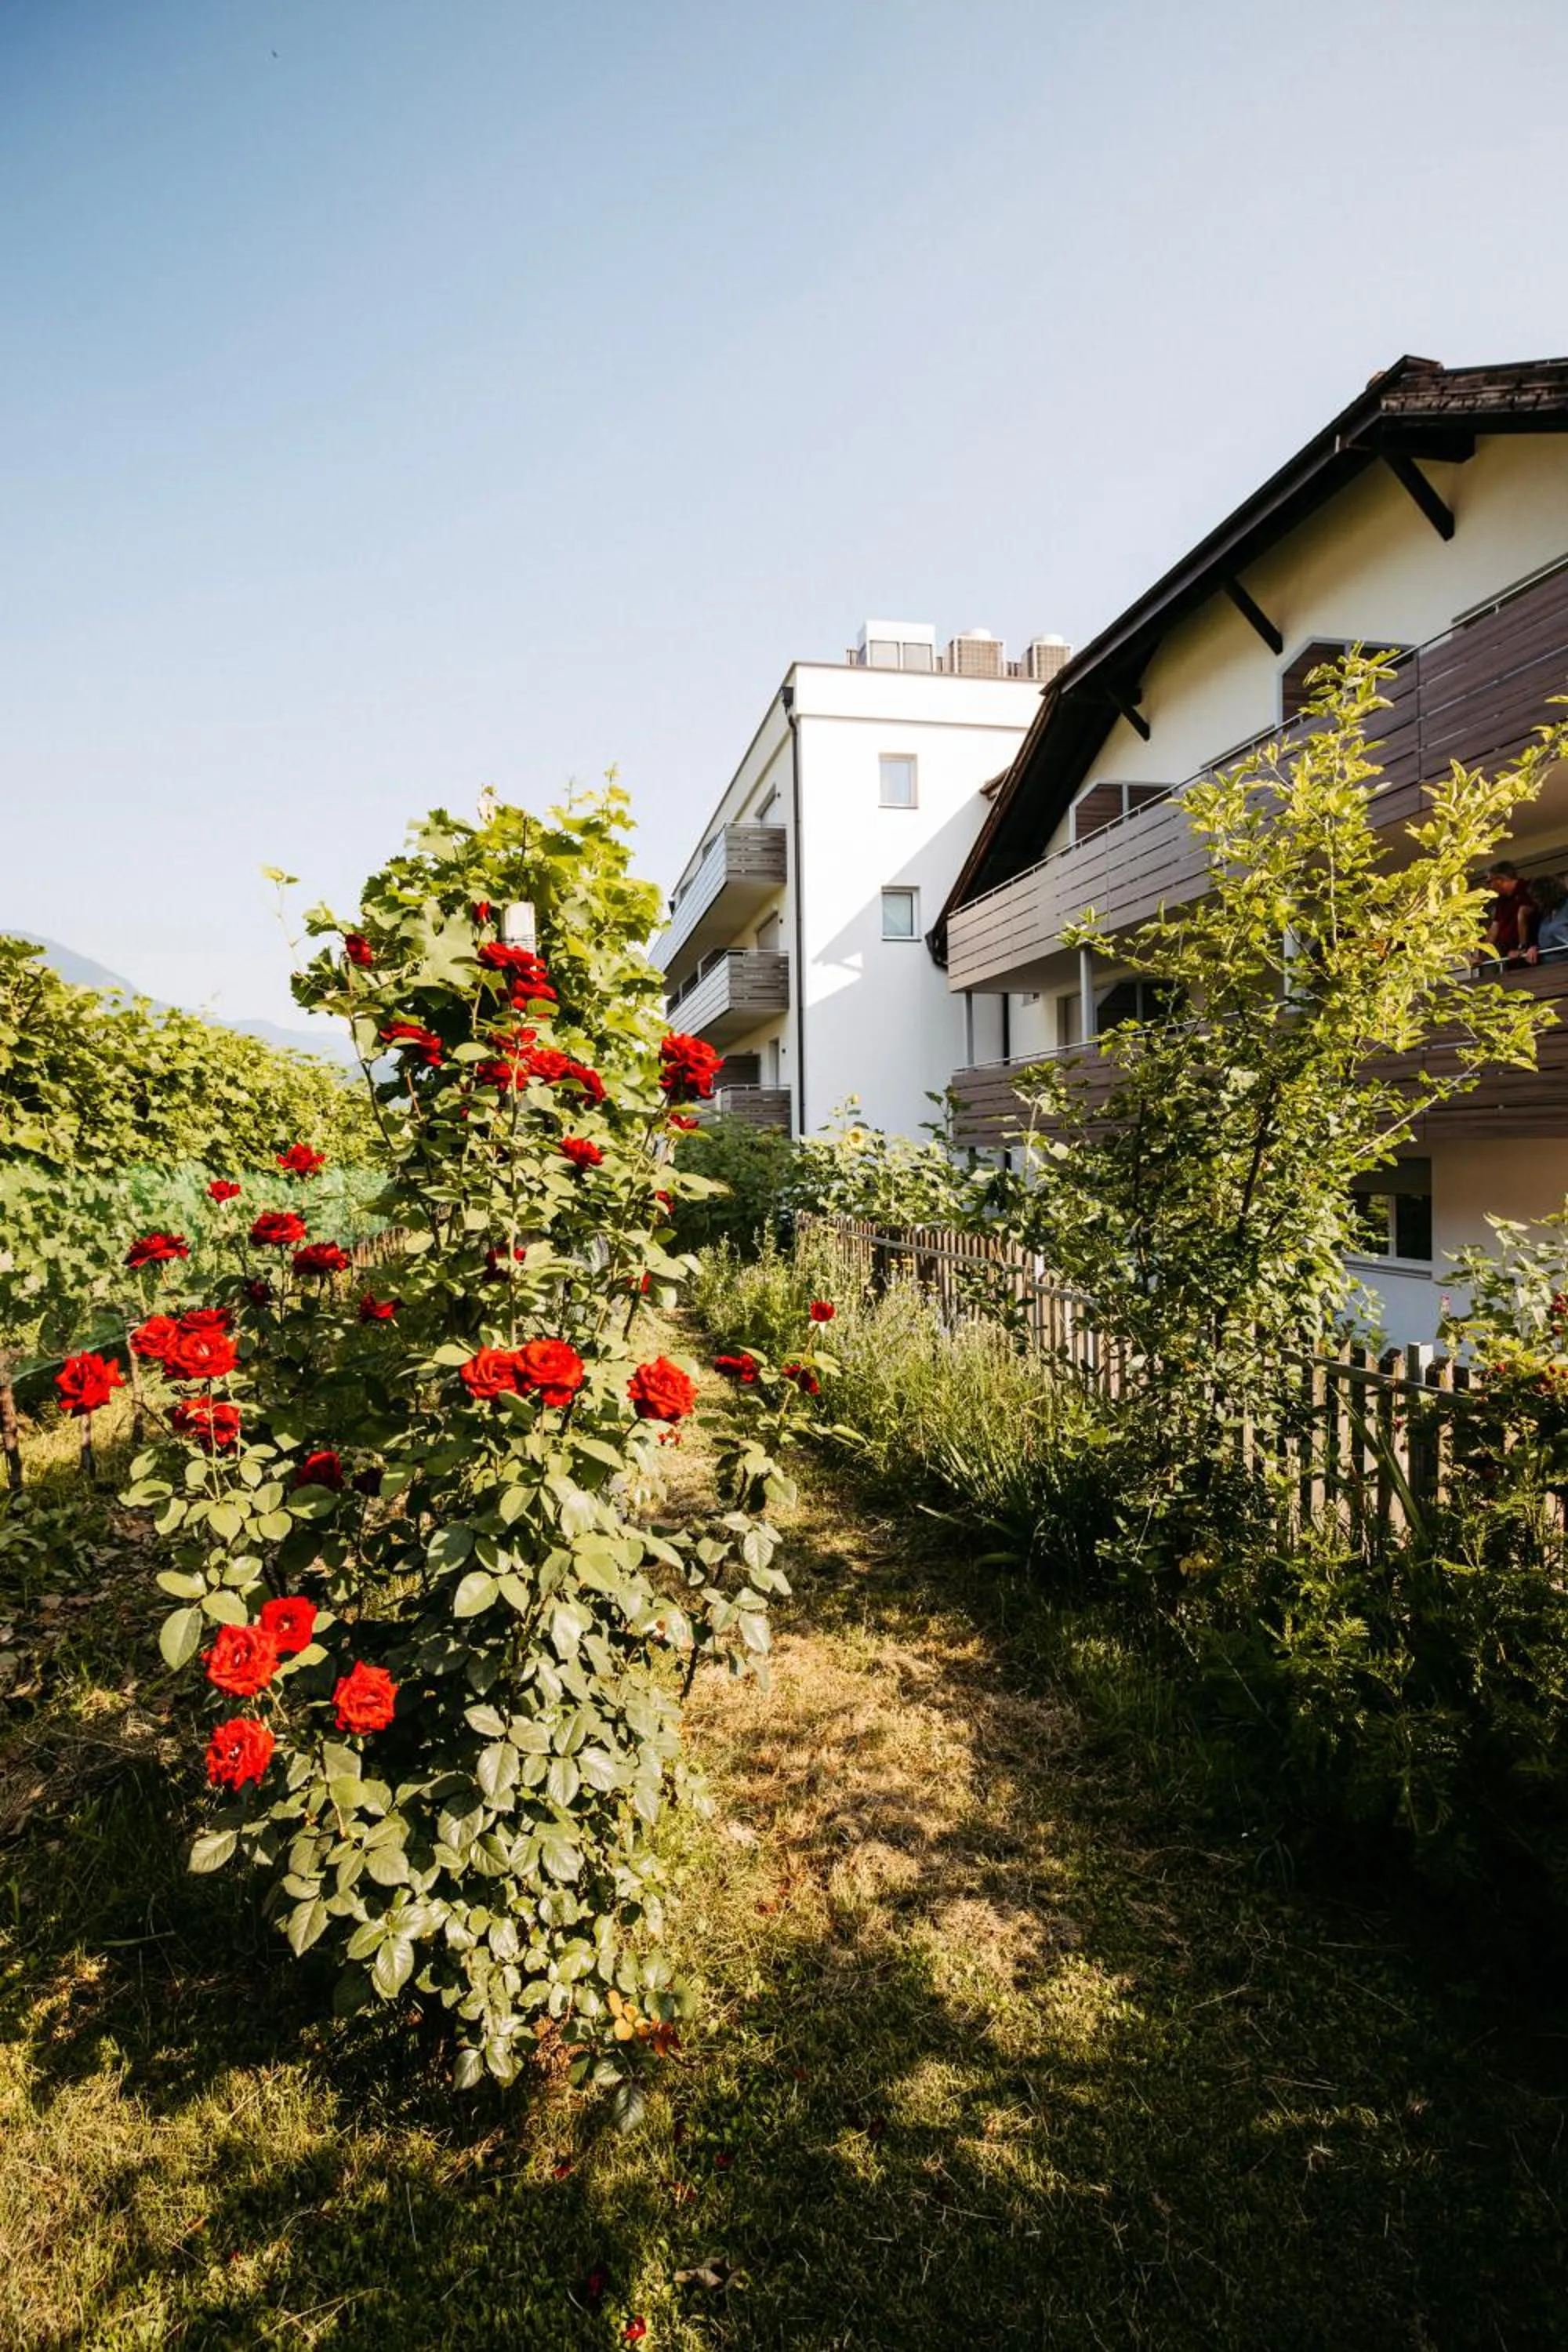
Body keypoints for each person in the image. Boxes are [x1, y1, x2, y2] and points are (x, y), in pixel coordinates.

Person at [1473, 861, 1537, 966]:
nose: (1489, 886)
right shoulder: (1501, 900)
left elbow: (1528, 917)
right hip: (1509, 956)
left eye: (1489, 881)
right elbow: (1494, 929)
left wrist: (1522, 948)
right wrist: (1481, 957)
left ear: (1500, 879)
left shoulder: (1528, 889)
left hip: (1531, 954)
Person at [1526, 873, 1568, 963]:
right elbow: (1547, 940)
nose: (1536, 901)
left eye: (1538, 897)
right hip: (1549, 967)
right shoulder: (1546, 914)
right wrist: (1535, 948)